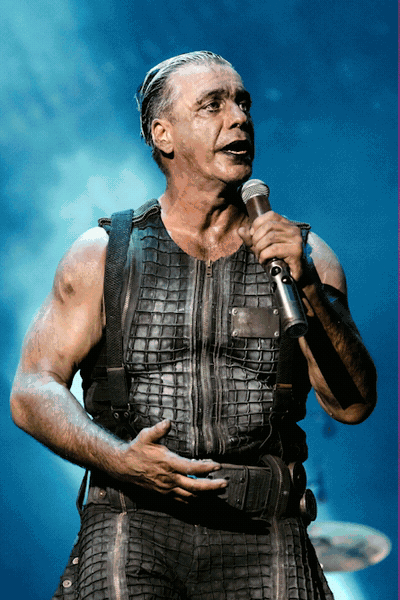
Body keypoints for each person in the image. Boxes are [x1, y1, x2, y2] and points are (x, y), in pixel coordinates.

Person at [11, 51, 377, 600]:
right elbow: (32, 389)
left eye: (243, 103)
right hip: (133, 520)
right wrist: (120, 460)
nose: (239, 118)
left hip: (265, 527)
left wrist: (306, 287)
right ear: (163, 134)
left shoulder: (307, 258)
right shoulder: (103, 256)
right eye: (213, 105)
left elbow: (353, 405)